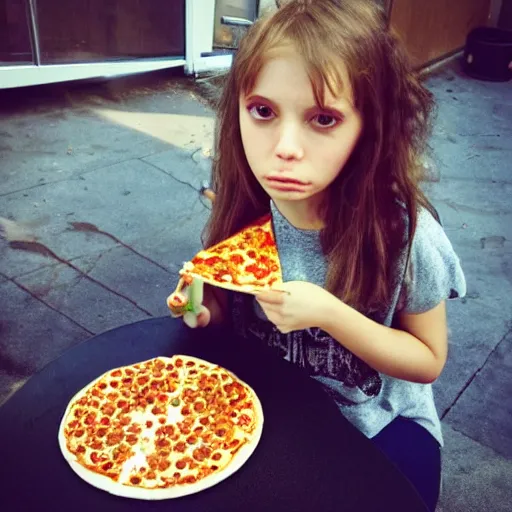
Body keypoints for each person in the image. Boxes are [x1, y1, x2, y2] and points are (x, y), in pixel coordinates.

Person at [173, 1, 466, 510]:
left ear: (368, 127)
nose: (285, 147)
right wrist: (203, 309)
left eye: (323, 118)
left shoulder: (405, 235)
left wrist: (328, 314)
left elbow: (428, 361)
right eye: (263, 111)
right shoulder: (243, 209)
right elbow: (227, 312)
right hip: (268, 406)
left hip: (378, 425)